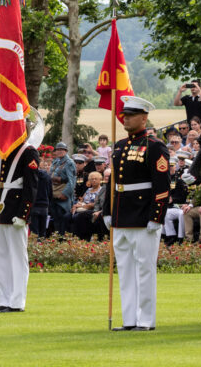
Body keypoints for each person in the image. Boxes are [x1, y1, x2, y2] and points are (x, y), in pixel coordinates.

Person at [103, 96, 170, 332]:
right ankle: (129, 319)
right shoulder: (119, 145)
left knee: (144, 269)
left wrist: (156, 216)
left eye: (131, 115)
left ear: (144, 117)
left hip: (143, 216)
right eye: (124, 115)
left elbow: (162, 186)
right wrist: (107, 210)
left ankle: (145, 320)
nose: (126, 118)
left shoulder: (155, 146)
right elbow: (111, 183)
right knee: (125, 270)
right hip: (121, 214)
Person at [0, 130, 39, 313]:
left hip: (15, 209)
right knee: (0, 257)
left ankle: (17, 301)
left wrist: (24, 213)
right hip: (0, 209)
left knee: (17, 258)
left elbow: (31, 185)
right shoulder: (0, 149)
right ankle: (2, 299)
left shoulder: (28, 151)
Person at [49, 143, 75, 237]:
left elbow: (71, 181)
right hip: (54, 193)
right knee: (56, 219)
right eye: (58, 149)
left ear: (66, 151)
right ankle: (57, 239)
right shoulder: (55, 162)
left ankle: (63, 240)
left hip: (63, 196)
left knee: (63, 219)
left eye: (62, 149)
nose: (59, 151)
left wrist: (65, 194)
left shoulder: (69, 163)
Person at [71, 171, 103, 241]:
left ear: (100, 180)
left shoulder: (101, 190)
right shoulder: (88, 190)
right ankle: (68, 236)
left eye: (96, 179)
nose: (94, 180)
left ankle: (81, 238)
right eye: (92, 179)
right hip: (83, 207)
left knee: (79, 216)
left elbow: (96, 204)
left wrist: (83, 206)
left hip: (93, 209)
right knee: (67, 216)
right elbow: (81, 200)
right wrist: (76, 206)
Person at [30, 157, 52, 238]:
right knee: (43, 232)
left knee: (34, 233)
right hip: (44, 206)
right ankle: (42, 248)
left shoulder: (31, 175)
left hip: (34, 205)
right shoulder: (47, 176)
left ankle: (35, 249)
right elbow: (50, 192)